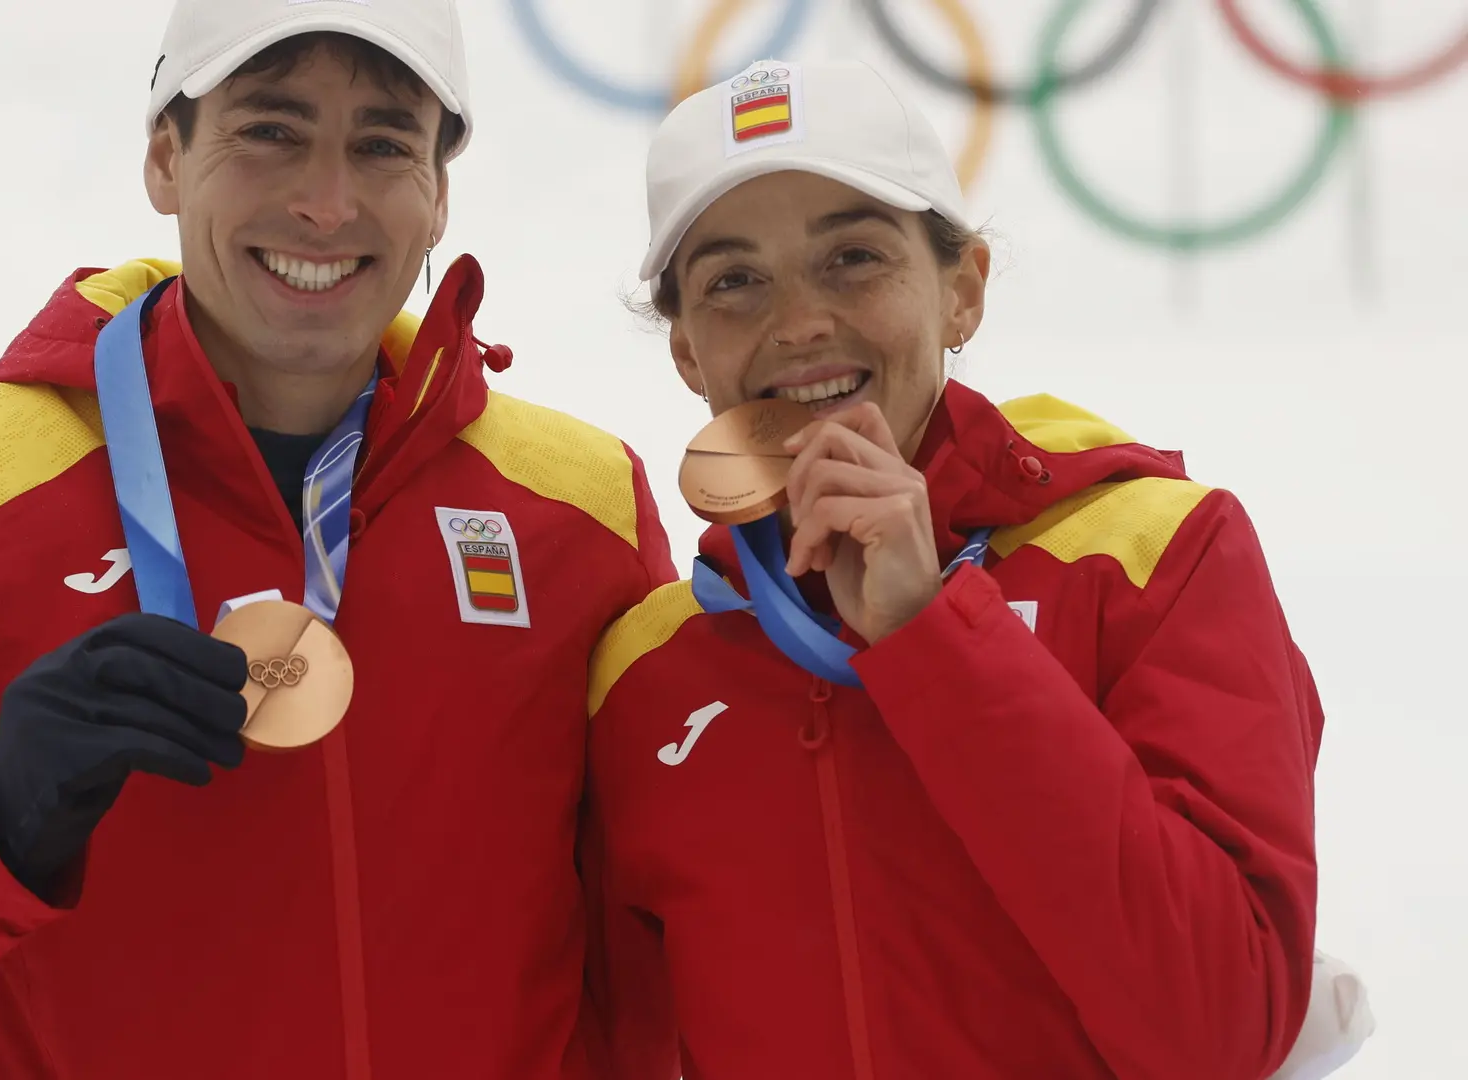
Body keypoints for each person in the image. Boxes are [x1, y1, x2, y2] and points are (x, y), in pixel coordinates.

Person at [0, 3, 676, 1078]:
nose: (327, 204)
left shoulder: (581, 514)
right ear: (163, 158)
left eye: (383, 145)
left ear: (437, 197)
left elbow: (666, 960)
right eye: (269, 130)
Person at [581, 58, 1368, 1079]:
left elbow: (1220, 1024)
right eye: (734, 281)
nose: (802, 322)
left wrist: (935, 637)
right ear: (687, 352)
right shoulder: (648, 670)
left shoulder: (1154, 560)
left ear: (963, 292)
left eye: (854, 257)